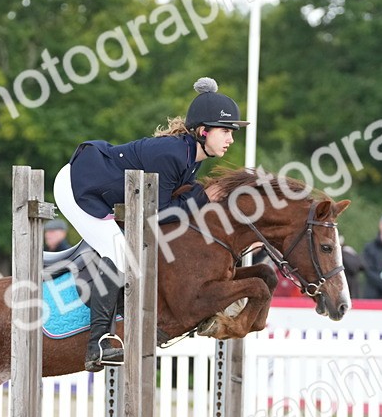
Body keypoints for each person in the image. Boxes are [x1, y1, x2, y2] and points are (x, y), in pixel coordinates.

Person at [54, 76, 246, 371]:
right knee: (119, 253)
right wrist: (201, 197)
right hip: (77, 188)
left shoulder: (190, 157)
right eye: (225, 131)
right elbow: (159, 215)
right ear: (203, 131)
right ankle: (98, 343)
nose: (231, 138)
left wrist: (198, 196)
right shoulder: (172, 155)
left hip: (102, 192)